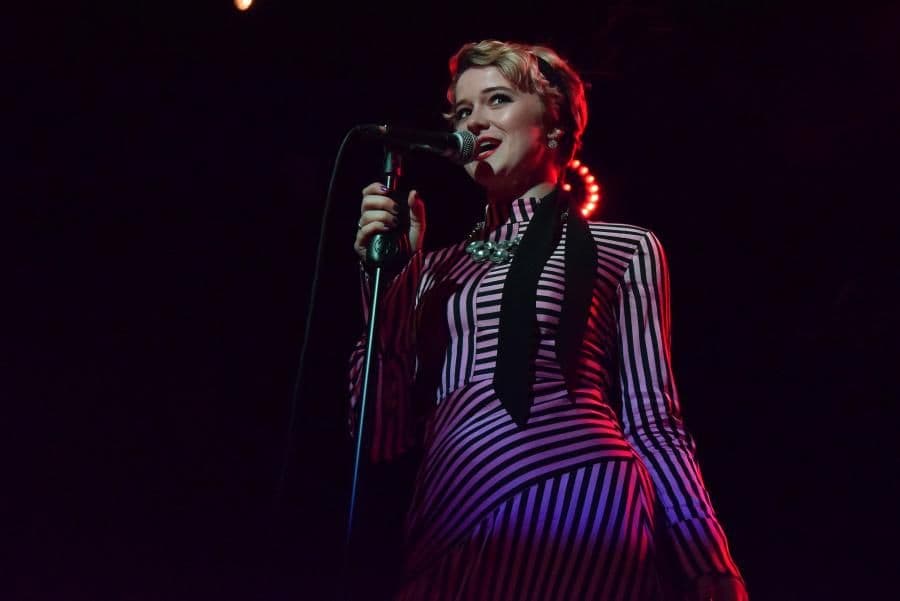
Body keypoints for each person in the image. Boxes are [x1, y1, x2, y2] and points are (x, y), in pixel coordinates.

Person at [349, 39, 748, 601]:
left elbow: (654, 422)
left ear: (555, 125)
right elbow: (380, 436)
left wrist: (707, 563)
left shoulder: (623, 247)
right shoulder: (432, 267)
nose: (473, 121)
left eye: (498, 99)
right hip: (450, 514)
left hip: (582, 505)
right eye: (462, 111)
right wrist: (386, 282)